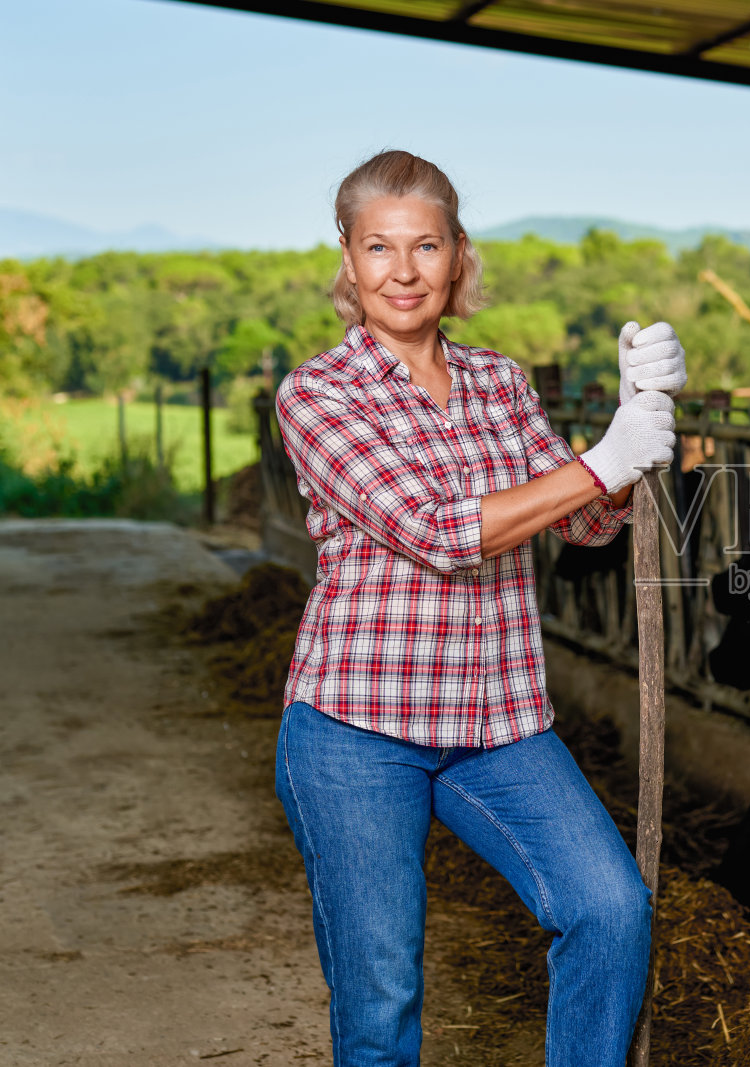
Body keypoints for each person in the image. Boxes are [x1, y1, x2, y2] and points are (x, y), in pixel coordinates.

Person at [272, 149, 685, 1067]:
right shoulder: (318, 393)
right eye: (379, 247)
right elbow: (436, 530)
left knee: (609, 907)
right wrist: (599, 463)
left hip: (496, 721)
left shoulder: (500, 383)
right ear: (347, 256)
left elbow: (583, 524)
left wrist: (634, 423)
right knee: (381, 994)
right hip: (354, 728)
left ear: (460, 254)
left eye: (427, 245)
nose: (404, 271)